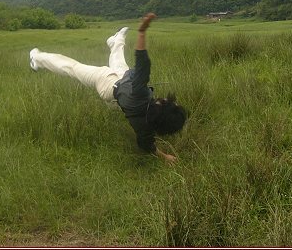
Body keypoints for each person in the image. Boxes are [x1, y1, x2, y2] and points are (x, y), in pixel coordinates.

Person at [29, 13, 187, 163]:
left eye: (170, 102)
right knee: (118, 61)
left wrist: (142, 32)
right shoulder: (145, 127)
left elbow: (143, 63)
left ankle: (36, 59)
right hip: (122, 85)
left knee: (72, 68)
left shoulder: (140, 94)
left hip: (106, 82)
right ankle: (115, 40)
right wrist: (164, 156)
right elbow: (147, 145)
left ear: (161, 107)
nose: (167, 99)